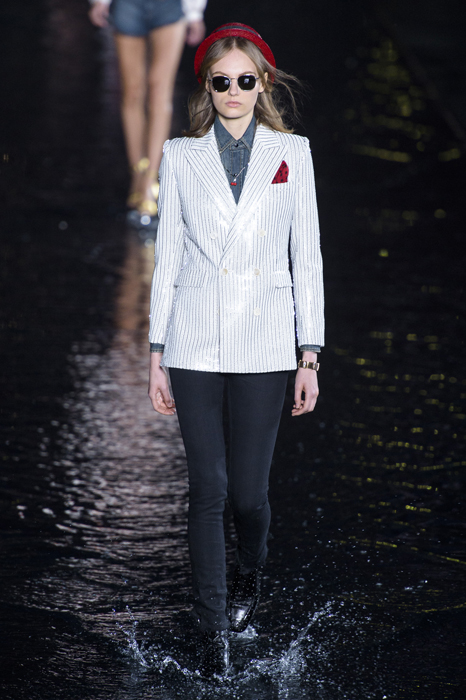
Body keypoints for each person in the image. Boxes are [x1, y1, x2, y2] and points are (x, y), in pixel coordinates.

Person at [147, 22, 324, 678]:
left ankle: (250, 575)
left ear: (263, 83)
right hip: (193, 340)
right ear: (207, 86)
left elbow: (307, 257)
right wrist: (155, 352)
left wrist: (310, 355)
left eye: (245, 80)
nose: (233, 90)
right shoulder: (180, 156)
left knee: (248, 496)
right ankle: (213, 627)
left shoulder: (293, 153)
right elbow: (167, 259)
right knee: (208, 490)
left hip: (265, 341)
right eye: (221, 81)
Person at [88, 0, 207, 224]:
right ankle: (138, 176)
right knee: (132, 92)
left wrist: (194, 12)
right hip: (128, 5)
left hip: (169, 6)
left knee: (160, 91)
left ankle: (151, 181)